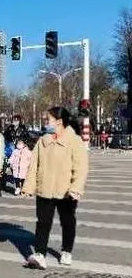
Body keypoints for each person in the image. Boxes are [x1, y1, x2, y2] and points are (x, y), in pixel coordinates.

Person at [22, 107, 88, 269]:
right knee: (43, 223)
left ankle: (66, 251)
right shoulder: (43, 141)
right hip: (44, 189)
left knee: (67, 221)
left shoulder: (74, 141)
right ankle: (39, 254)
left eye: (48, 120)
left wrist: (76, 188)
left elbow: (81, 167)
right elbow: (33, 166)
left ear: (59, 121)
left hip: (66, 192)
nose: (45, 122)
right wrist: (28, 187)